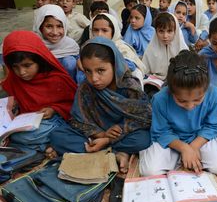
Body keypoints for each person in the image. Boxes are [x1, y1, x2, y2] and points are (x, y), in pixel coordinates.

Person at [49, 37, 152, 173]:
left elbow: (144, 118)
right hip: (95, 135)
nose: (94, 78)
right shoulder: (85, 87)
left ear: (114, 65)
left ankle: (102, 151)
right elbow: (77, 120)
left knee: (144, 139)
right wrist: (100, 134)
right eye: (87, 71)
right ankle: (117, 154)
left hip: (120, 135)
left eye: (100, 70)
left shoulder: (129, 86)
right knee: (58, 135)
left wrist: (110, 138)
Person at [139, 50, 217, 176]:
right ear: (171, 92)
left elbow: (213, 126)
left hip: (200, 137)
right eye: (182, 101)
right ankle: (181, 156)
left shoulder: (213, 93)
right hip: (172, 140)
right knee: (149, 170)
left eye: (197, 100)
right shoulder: (160, 99)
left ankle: (181, 158)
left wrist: (193, 147)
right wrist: (184, 148)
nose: (190, 106)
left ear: (205, 89)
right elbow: (161, 131)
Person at [1, 31, 76, 153]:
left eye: (27, 65)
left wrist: (54, 109)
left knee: (21, 137)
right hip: (24, 122)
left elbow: (74, 105)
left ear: (39, 60)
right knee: (16, 135)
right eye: (15, 67)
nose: (22, 72)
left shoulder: (56, 78)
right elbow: (11, 99)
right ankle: (52, 144)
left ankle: (51, 143)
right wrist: (12, 106)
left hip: (53, 120)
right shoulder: (14, 80)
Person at [90, 13, 146, 87]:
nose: (99, 34)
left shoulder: (121, 47)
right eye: (96, 30)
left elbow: (130, 65)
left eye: (104, 30)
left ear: (113, 32)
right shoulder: (89, 47)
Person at [34, 4, 80, 80]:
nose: (55, 32)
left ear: (64, 26)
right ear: (40, 27)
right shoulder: (34, 44)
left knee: (69, 62)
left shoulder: (70, 45)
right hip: (43, 86)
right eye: (49, 26)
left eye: (59, 26)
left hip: (68, 86)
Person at [142, 12, 188, 81]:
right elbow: (144, 72)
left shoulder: (183, 51)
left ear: (175, 31)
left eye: (169, 31)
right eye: (161, 31)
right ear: (156, 32)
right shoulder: (150, 51)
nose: (165, 36)